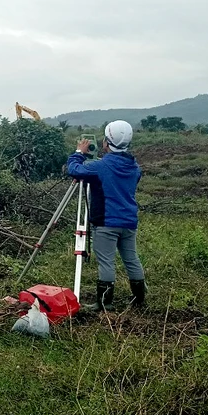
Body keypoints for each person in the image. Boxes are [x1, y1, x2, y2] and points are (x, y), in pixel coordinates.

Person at [67, 120, 146, 312]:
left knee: (106, 262)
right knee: (131, 258)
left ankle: (104, 303)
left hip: (106, 222)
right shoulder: (134, 167)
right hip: (128, 221)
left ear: (106, 142)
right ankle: (139, 298)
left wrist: (79, 153)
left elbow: (74, 170)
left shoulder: (101, 166)